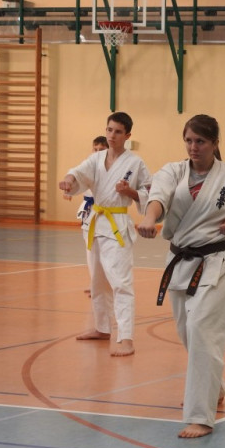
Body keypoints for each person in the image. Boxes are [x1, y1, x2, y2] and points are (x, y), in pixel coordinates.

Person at [136, 114, 225, 439]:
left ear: (215, 143)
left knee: (202, 330)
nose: (193, 147)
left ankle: (200, 416)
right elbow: (158, 198)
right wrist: (149, 219)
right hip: (180, 261)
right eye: (189, 140)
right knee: (187, 333)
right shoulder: (173, 171)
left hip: (215, 261)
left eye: (201, 141)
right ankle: (214, 388)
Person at [58, 113, 151, 357]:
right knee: (97, 281)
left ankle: (126, 337)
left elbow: (150, 193)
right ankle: (102, 328)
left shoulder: (135, 163)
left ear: (127, 135)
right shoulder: (96, 158)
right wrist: (68, 180)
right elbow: (78, 173)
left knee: (121, 283)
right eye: (109, 130)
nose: (112, 135)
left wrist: (129, 192)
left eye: (118, 131)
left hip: (117, 224)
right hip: (95, 222)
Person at [71, 136, 109, 297]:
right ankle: (95, 282)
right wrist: (70, 189)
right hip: (89, 211)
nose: (98, 152)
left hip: (105, 212)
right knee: (91, 249)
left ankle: (102, 285)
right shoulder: (87, 164)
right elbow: (76, 179)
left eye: (102, 149)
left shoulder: (111, 166)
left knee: (104, 249)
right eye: (95, 149)